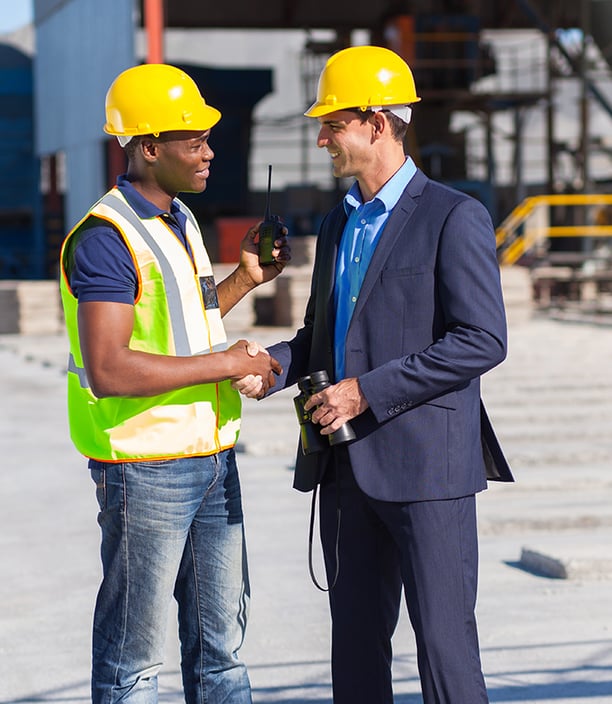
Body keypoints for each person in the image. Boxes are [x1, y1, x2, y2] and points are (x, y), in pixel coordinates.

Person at [245, 45, 513, 703]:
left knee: (446, 655)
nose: (321, 137)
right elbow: (324, 338)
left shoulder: (453, 215)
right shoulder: (339, 223)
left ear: (377, 121)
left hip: (427, 471)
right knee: (356, 656)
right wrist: (271, 367)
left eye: (332, 123)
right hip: (346, 472)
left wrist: (365, 391)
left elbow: (482, 340)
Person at [59, 63, 289, 704]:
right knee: (133, 663)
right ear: (149, 148)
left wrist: (244, 280)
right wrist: (232, 362)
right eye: (194, 141)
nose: (209, 151)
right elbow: (109, 368)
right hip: (146, 471)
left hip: (212, 460)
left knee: (221, 653)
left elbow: (186, 321)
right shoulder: (107, 238)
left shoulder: (178, 220)